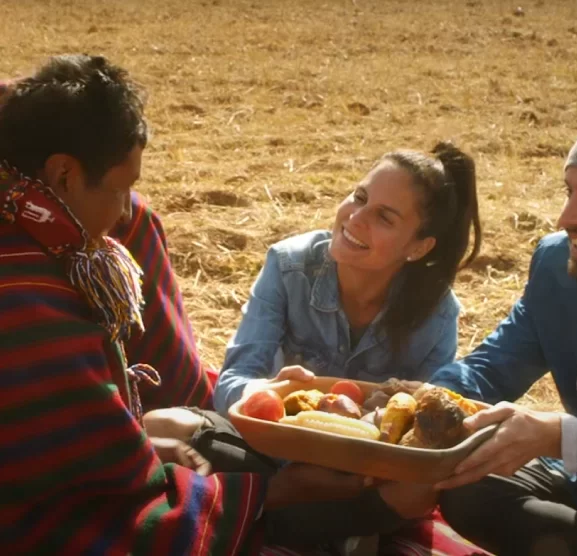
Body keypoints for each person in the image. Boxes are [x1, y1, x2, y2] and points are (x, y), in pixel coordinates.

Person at [0, 54, 371, 555]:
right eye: (122, 186)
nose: (127, 208)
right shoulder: (32, 308)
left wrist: (136, 446)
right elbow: (92, 505)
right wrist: (275, 493)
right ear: (64, 175)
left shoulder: (30, 233)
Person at [171, 140, 480, 551]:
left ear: (418, 247)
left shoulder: (437, 315)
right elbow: (234, 380)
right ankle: (328, 526)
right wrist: (264, 392)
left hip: (367, 477)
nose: (355, 217)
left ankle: (272, 520)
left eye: (383, 217)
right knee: (166, 425)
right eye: (359, 197)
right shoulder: (287, 265)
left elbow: (425, 439)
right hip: (274, 450)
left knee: (417, 493)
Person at [427, 120, 577, 555]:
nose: (567, 218)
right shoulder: (555, 265)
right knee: (466, 482)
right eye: (569, 192)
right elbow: (495, 363)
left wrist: (560, 434)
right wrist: (430, 397)